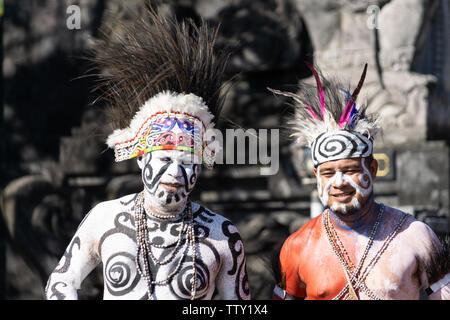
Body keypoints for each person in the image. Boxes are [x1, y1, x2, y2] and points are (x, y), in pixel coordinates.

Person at [45, 8, 250, 300]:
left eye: (188, 162)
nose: (175, 173)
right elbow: (61, 282)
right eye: (165, 159)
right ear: (142, 157)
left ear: (200, 168)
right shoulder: (105, 217)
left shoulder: (222, 235)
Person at [269, 63, 450, 300]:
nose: (340, 182)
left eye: (351, 170)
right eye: (328, 173)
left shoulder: (415, 236)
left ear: (372, 169)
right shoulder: (297, 246)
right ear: (316, 177)